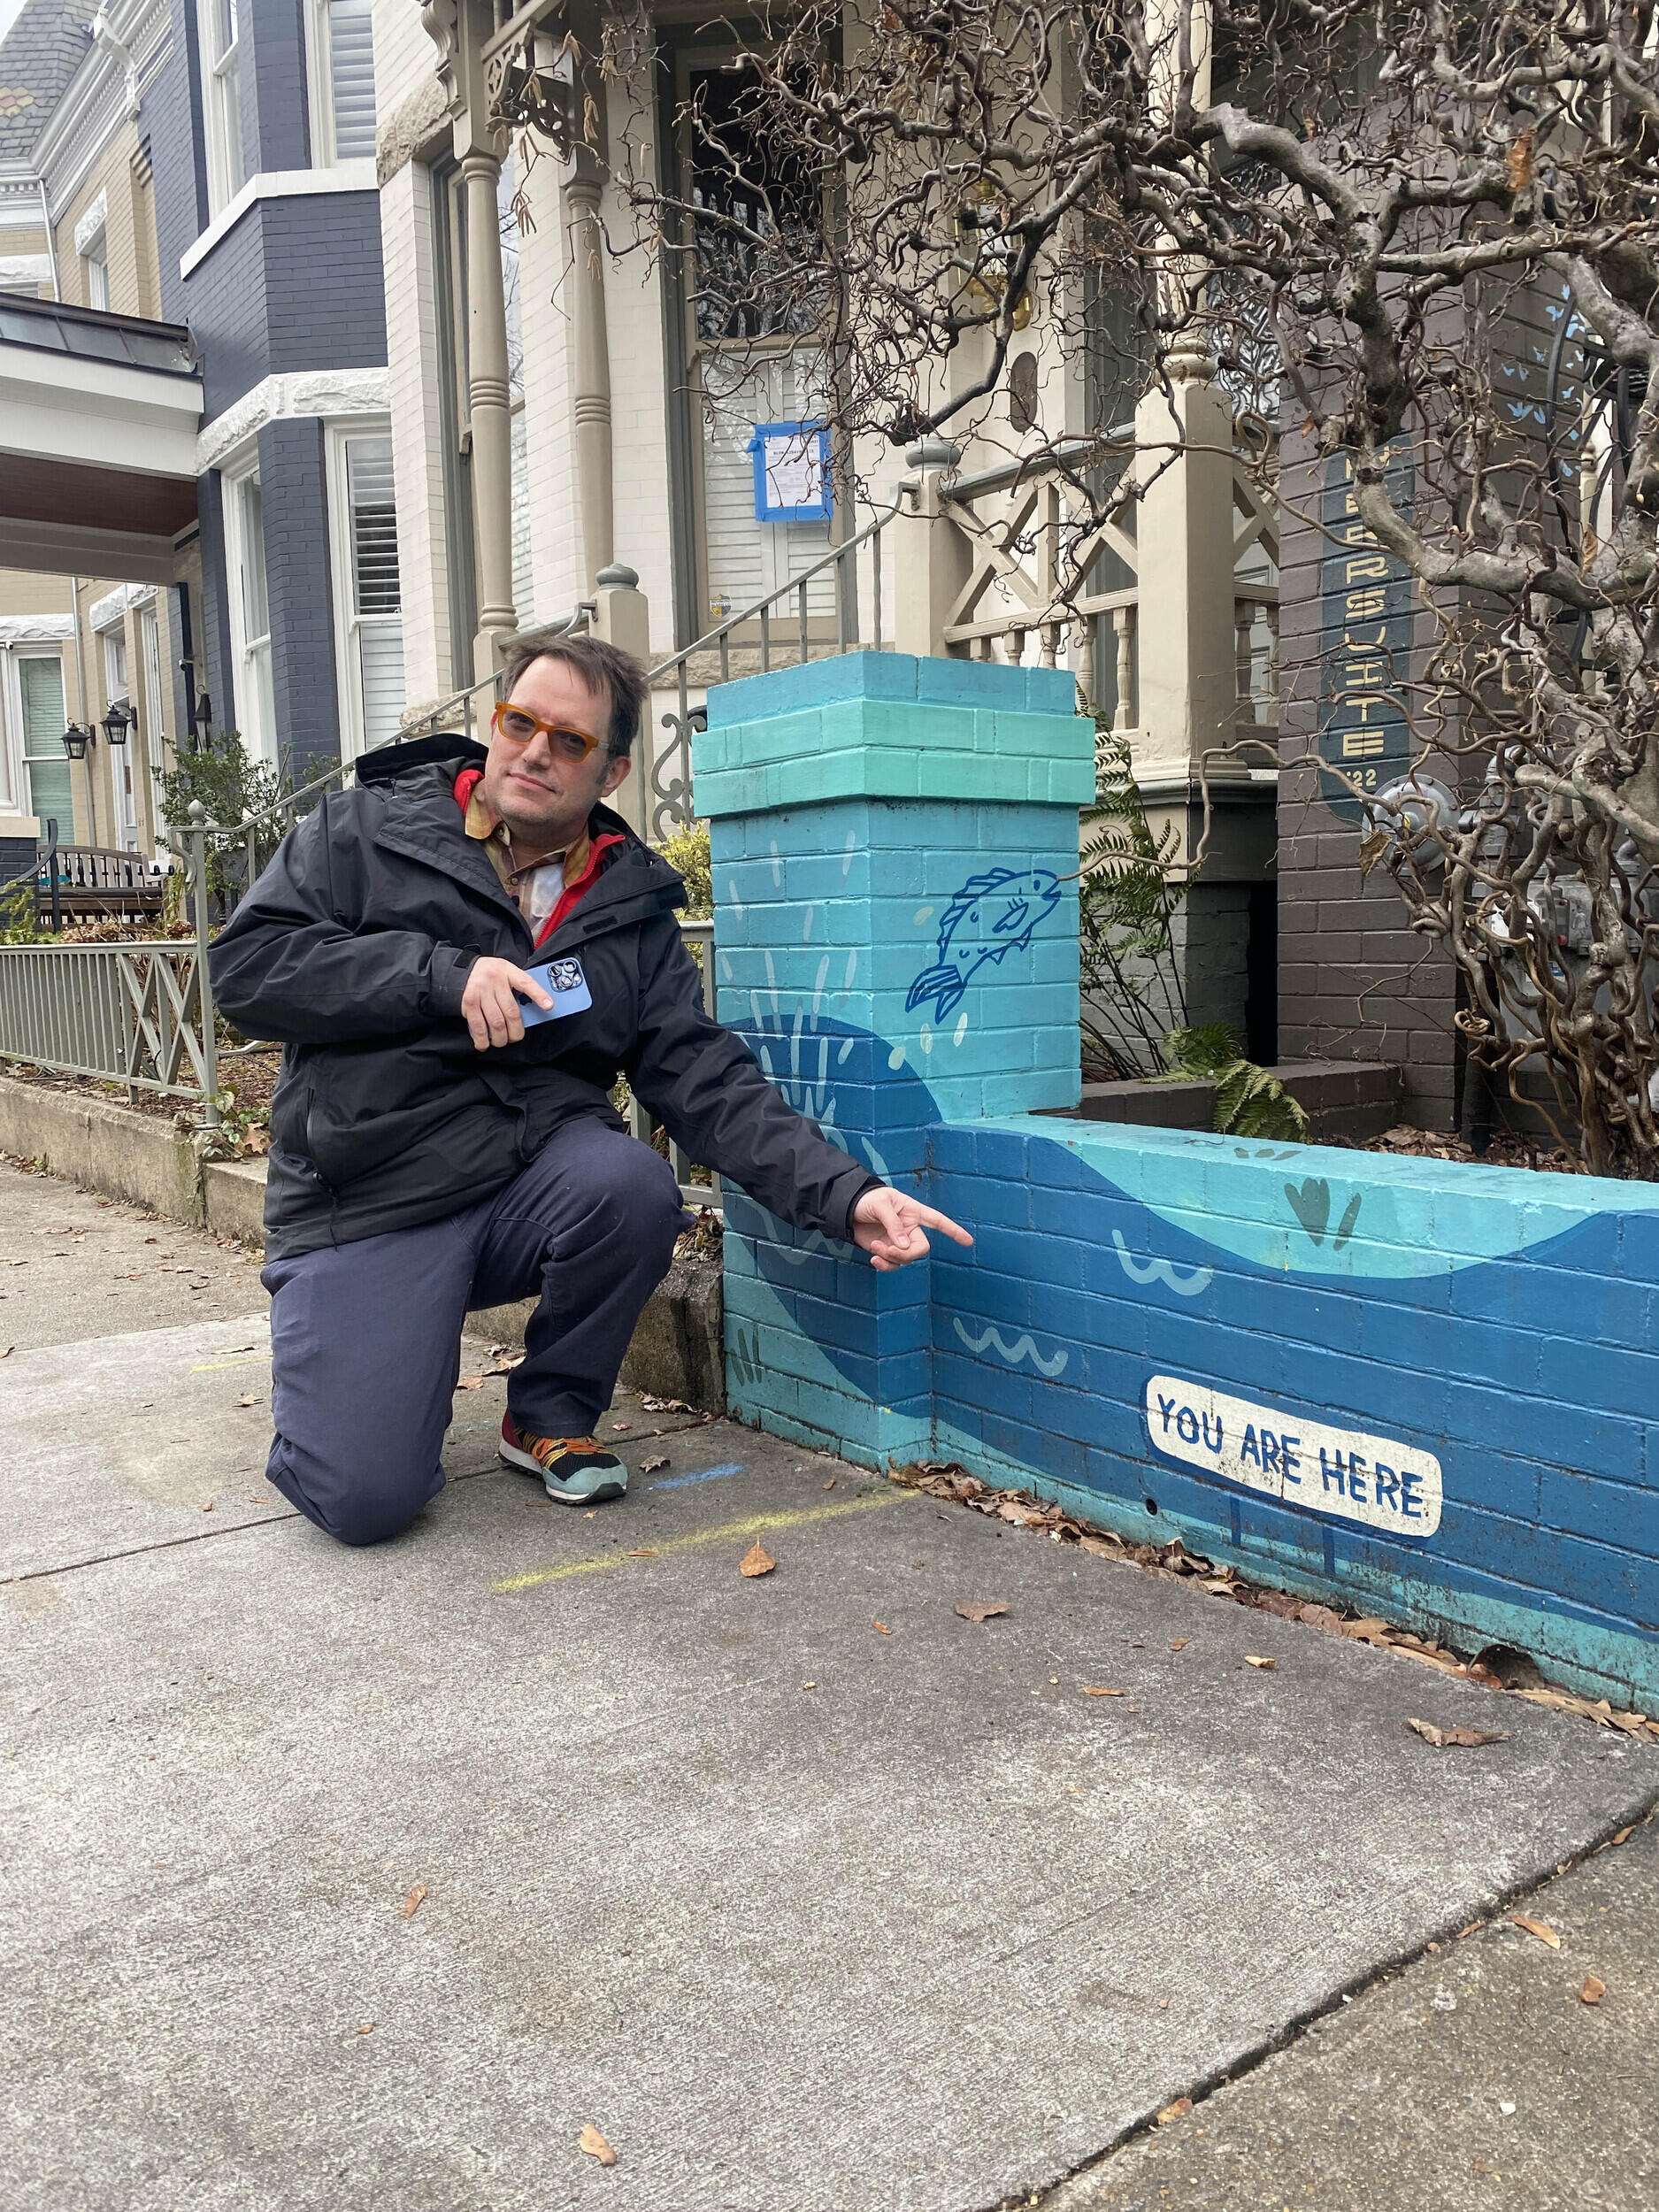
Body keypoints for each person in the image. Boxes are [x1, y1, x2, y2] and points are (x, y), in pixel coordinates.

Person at [210, 633, 970, 1545]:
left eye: (568, 740)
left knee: (632, 1184)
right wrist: (438, 975)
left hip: (526, 1186)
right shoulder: (365, 831)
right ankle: (360, 1344)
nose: (535, 750)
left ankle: (547, 1413)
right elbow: (247, 970)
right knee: (365, 1499)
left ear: (611, 772)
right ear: (494, 728)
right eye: (519, 722)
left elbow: (704, 1079)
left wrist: (845, 1195)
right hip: (372, 1198)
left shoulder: (629, 909)